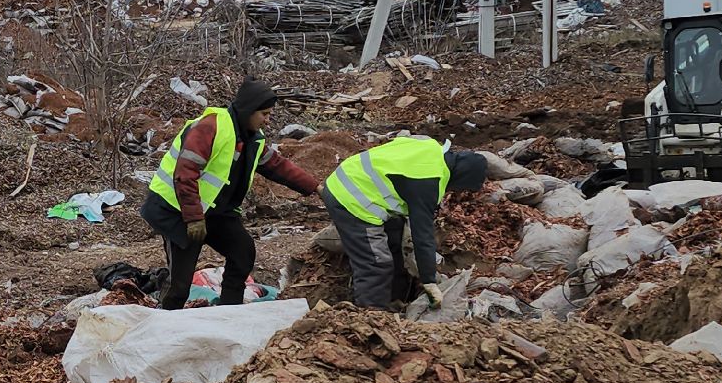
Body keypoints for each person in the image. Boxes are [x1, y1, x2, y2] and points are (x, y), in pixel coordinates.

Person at [140, 79, 320, 309]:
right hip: (178, 210)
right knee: (180, 285)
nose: (267, 119)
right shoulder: (210, 127)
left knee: (242, 253)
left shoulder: (252, 138)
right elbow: (185, 174)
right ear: (248, 110)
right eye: (264, 113)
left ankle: (230, 313)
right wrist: (194, 218)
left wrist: (314, 188)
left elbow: (277, 165)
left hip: (215, 211)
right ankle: (162, 323)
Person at [321, 134, 488, 309]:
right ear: (460, 178)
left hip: (349, 176)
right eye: (459, 188)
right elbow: (422, 236)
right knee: (376, 263)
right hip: (350, 199)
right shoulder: (428, 182)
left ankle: (395, 300)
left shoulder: (431, 147)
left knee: (395, 237)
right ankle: (370, 316)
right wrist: (429, 281)